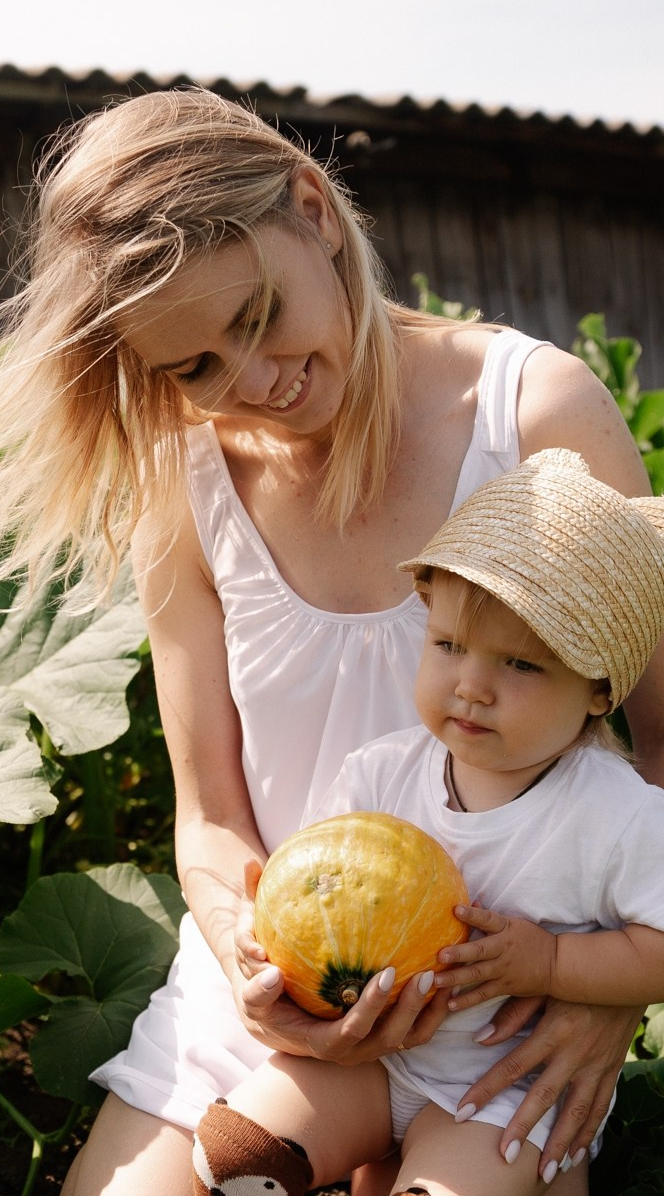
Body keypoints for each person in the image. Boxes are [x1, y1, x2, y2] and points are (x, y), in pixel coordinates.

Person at [0, 87, 663, 1195]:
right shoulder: (188, 477)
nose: (253, 382)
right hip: (279, 994)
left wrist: (605, 993)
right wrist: (253, 968)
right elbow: (211, 816)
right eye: (196, 368)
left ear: (311, 209)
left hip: (500, 1010)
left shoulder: (530, 413)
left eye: (256, 316)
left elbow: (659, 750)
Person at [191, 447, 664, 1196]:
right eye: (448, 646)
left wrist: (551, 965)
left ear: (600, 690)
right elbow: (314, 898)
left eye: (521, 666)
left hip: (504, 1097)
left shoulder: (618, 812)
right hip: (376, 1063)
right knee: (233, 1156)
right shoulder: (379, 774)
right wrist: (267, 935)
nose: (471, 686)